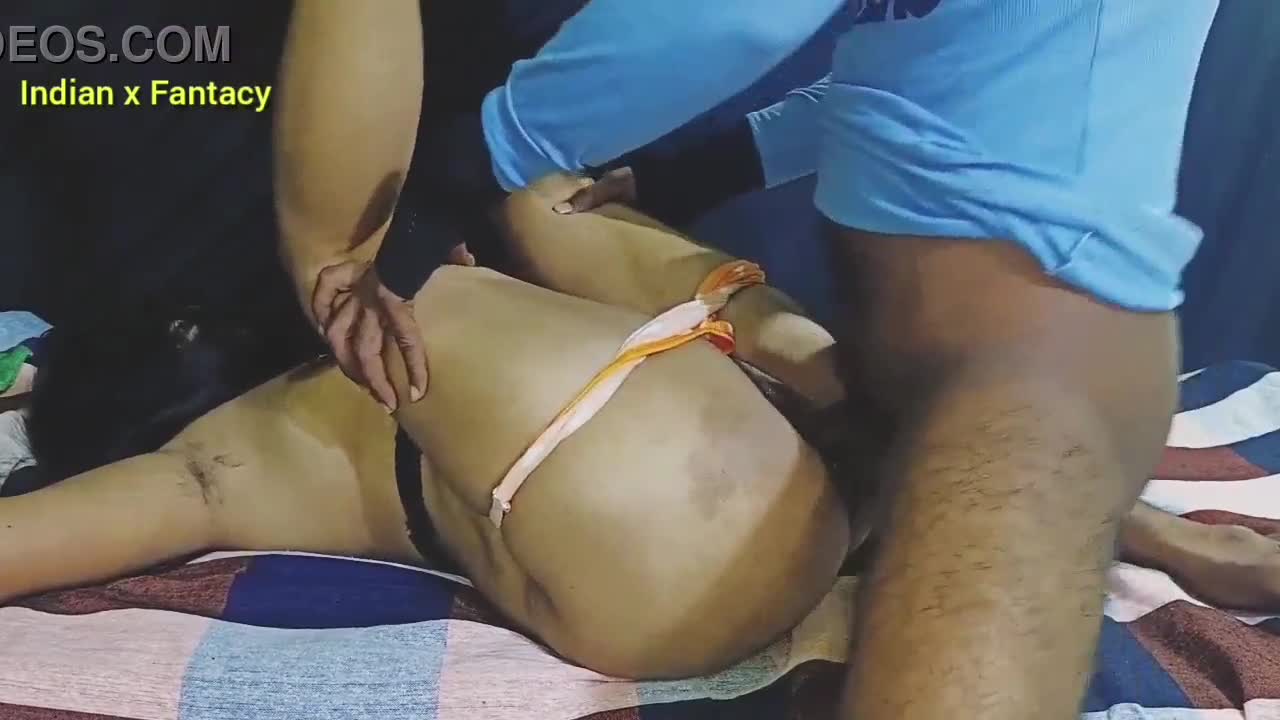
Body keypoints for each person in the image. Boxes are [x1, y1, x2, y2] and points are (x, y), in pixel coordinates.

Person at [285, 2, 1226, 716]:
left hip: (1019, 381)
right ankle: (1141, 526)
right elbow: (926, 63)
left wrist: (469, 169)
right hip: (910, 398)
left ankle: (1115, 512)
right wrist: (706, 169)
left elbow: (741, 12)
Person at [6, 172, 1280, 684]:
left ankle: (817, 379)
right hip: (763, 468)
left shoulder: (222, 462)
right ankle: (1150, 527)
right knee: (550, 204)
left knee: (554, 217)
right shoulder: (390, 282)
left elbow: (35, 536)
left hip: (666, 586)